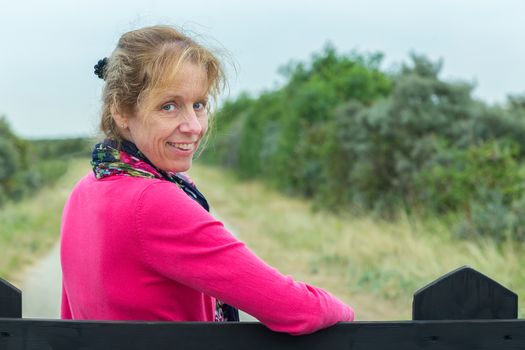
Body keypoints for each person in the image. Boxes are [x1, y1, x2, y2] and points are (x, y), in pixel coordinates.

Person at [60, 25, 354, 335]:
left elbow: (71, 321)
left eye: (198, 104)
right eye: (169, 106)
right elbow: (295, 309)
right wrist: (348, 315)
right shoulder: (152, 201)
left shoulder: (86, 189)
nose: (194, 126)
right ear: (121, 112)